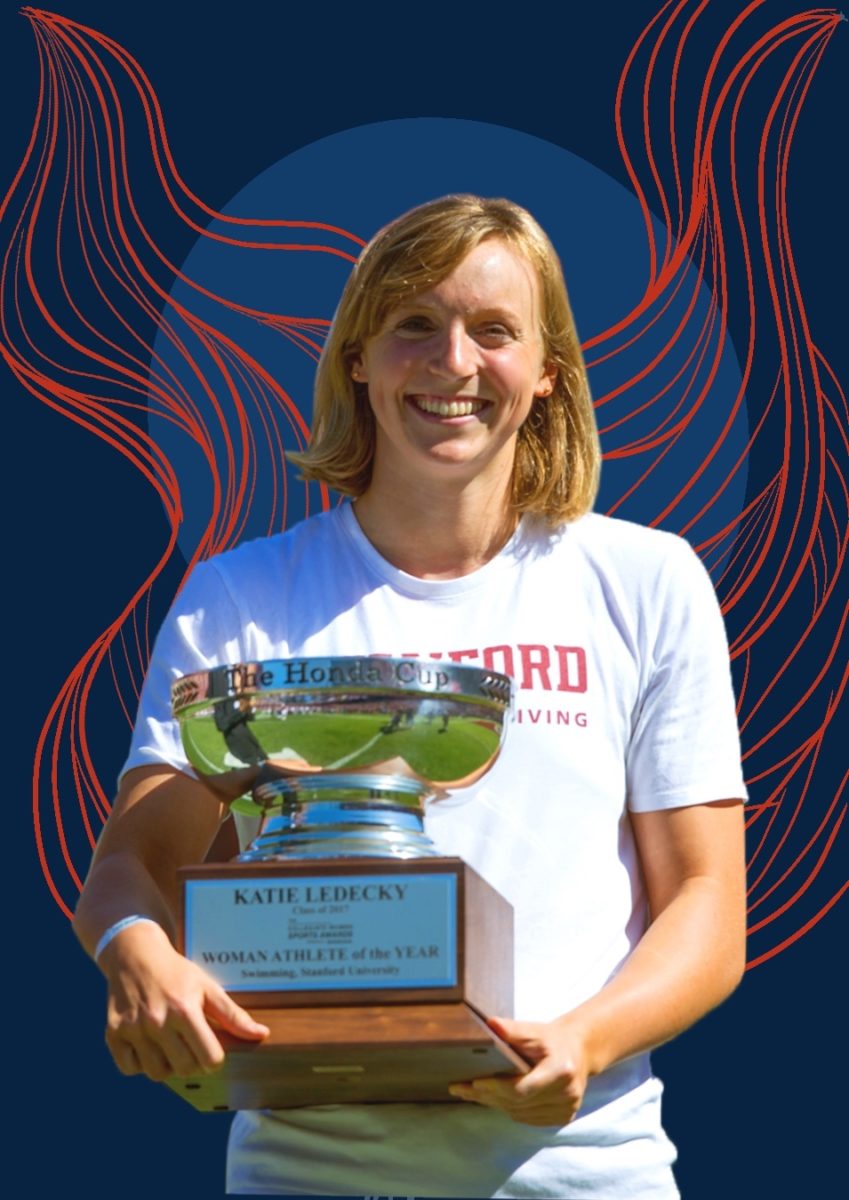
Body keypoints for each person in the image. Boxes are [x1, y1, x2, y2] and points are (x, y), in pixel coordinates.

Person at [74, 194, 747, 1198]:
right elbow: (132, 863)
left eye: (495, 331)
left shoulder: (645, 583)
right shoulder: (242, 596)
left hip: (589, 1176)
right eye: (415, 325)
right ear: (359, 357)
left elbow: (706, 905)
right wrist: (136, 951)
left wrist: (585, 1039)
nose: (453, 362)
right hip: (308, 1174)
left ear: (548, 371)